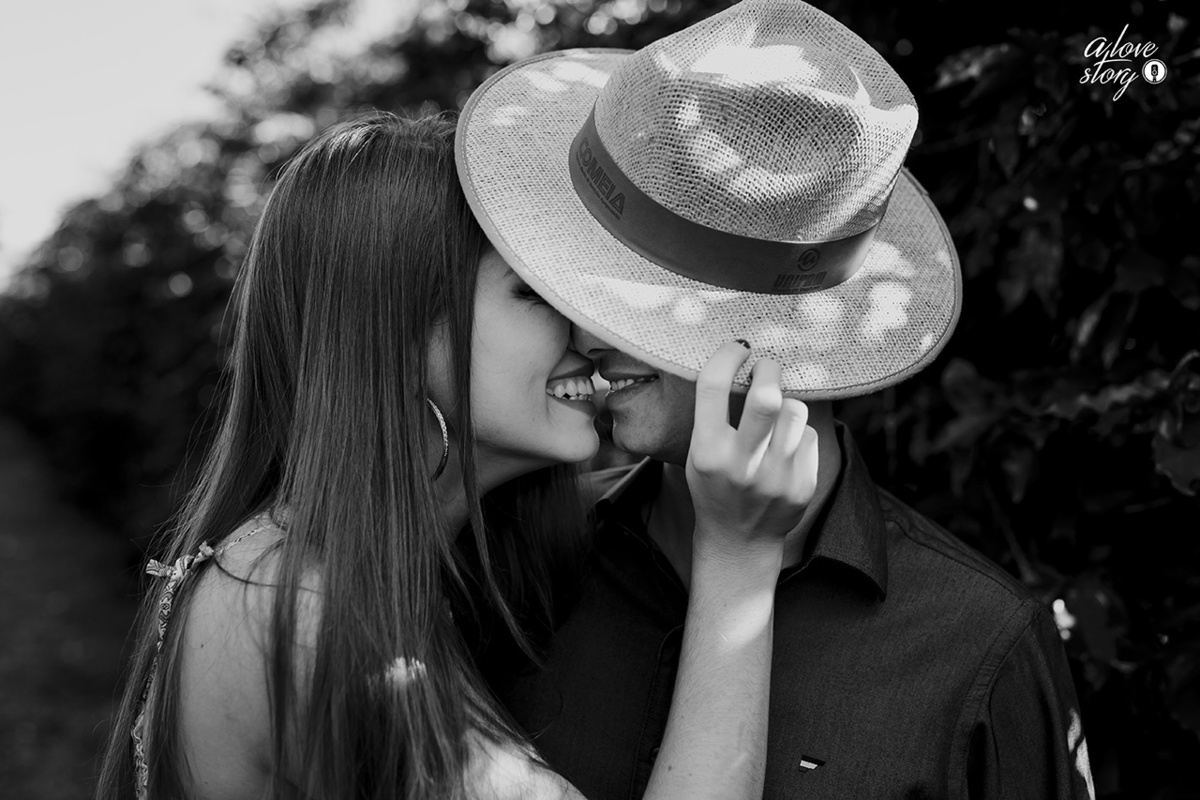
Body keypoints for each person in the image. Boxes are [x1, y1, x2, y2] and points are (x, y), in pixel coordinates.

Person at [454, 0, 1096, 797]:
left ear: (789, 328)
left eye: (641, 300)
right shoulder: (522, 563)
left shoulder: (978, 643)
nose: (584, 334)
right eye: (584, 285)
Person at [95, 113, 819, 800]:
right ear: (404, 332)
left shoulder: (304, 564)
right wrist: (739, 557)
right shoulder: (314, 622)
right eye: (536, 292)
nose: (590, 330)